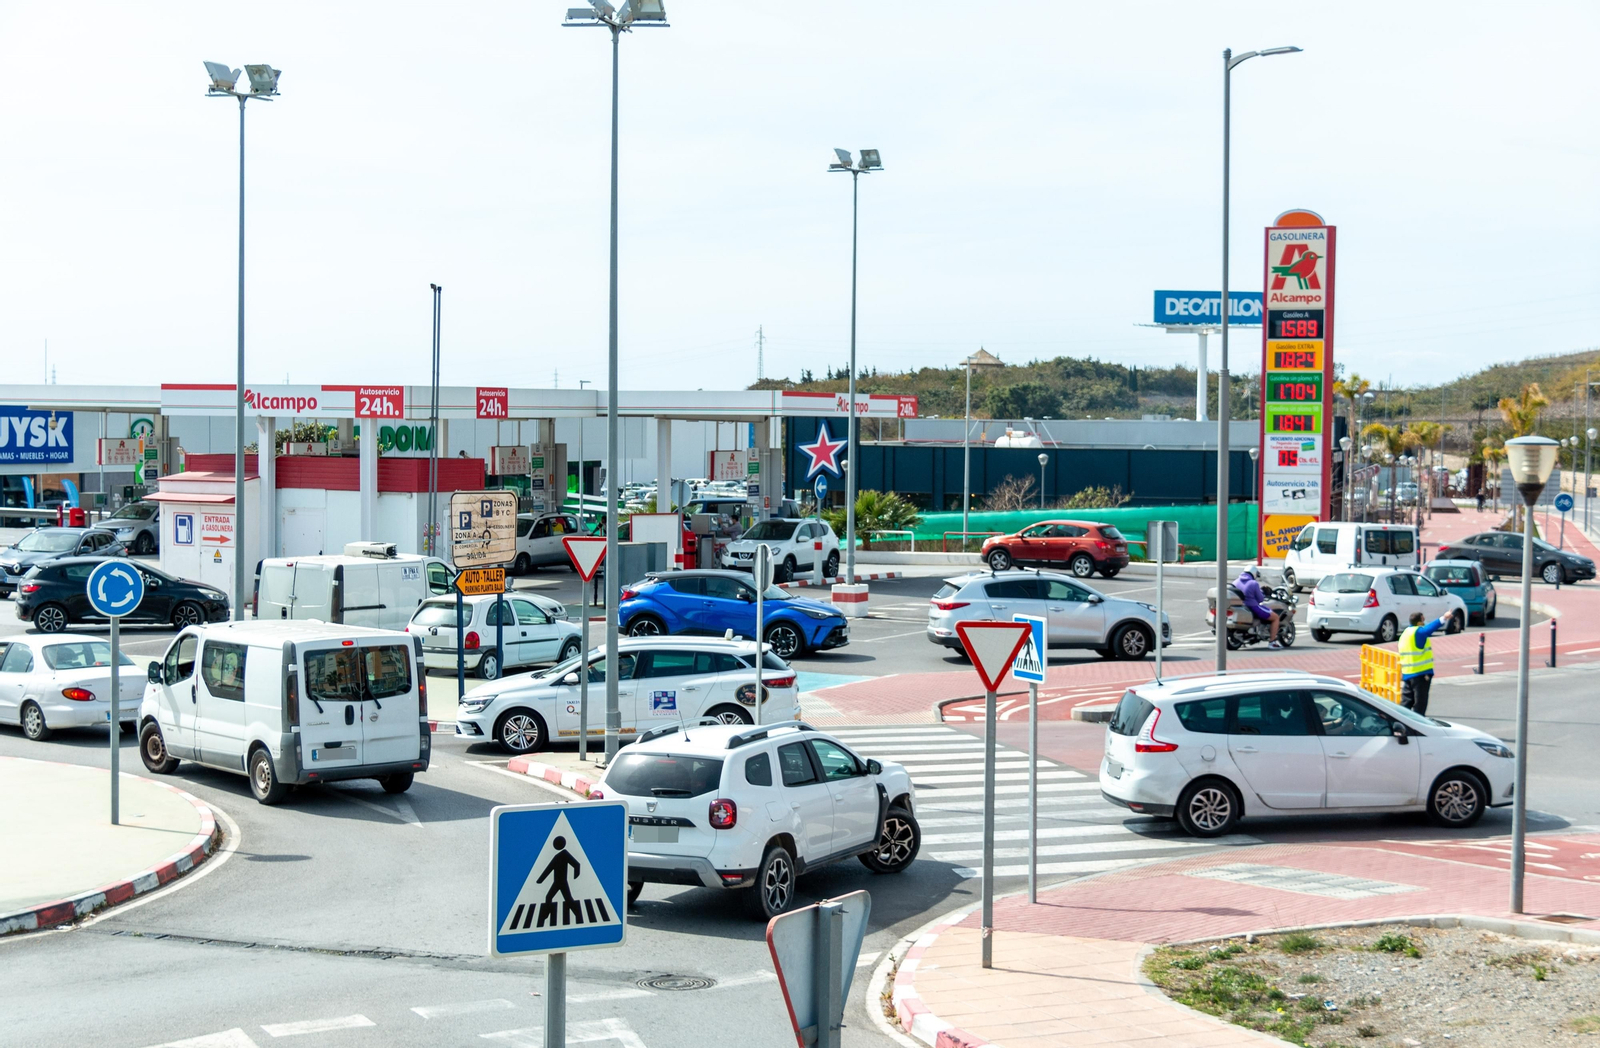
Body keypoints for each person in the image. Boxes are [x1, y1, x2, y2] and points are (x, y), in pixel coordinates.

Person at [1398, 611, 1449, 715]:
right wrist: (1444, 618)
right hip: (1420, 674)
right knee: (1420, 703)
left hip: (1407, 674)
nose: (1424, 622)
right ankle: (1418, 726)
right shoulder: (1418, 632)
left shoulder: (1406, 633)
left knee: (1406, 702)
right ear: (1419, 622)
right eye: (1423, 620)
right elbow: (1429, 629)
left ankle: (1401, 724)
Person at [1234, 565, 1281, 649]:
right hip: (1252, 607)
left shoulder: (1235, 582)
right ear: (1254, 573)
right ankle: (1272, 642)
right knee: (1275, 617)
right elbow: (1260, 599)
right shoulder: (1253, 583)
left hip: (1239, 607)